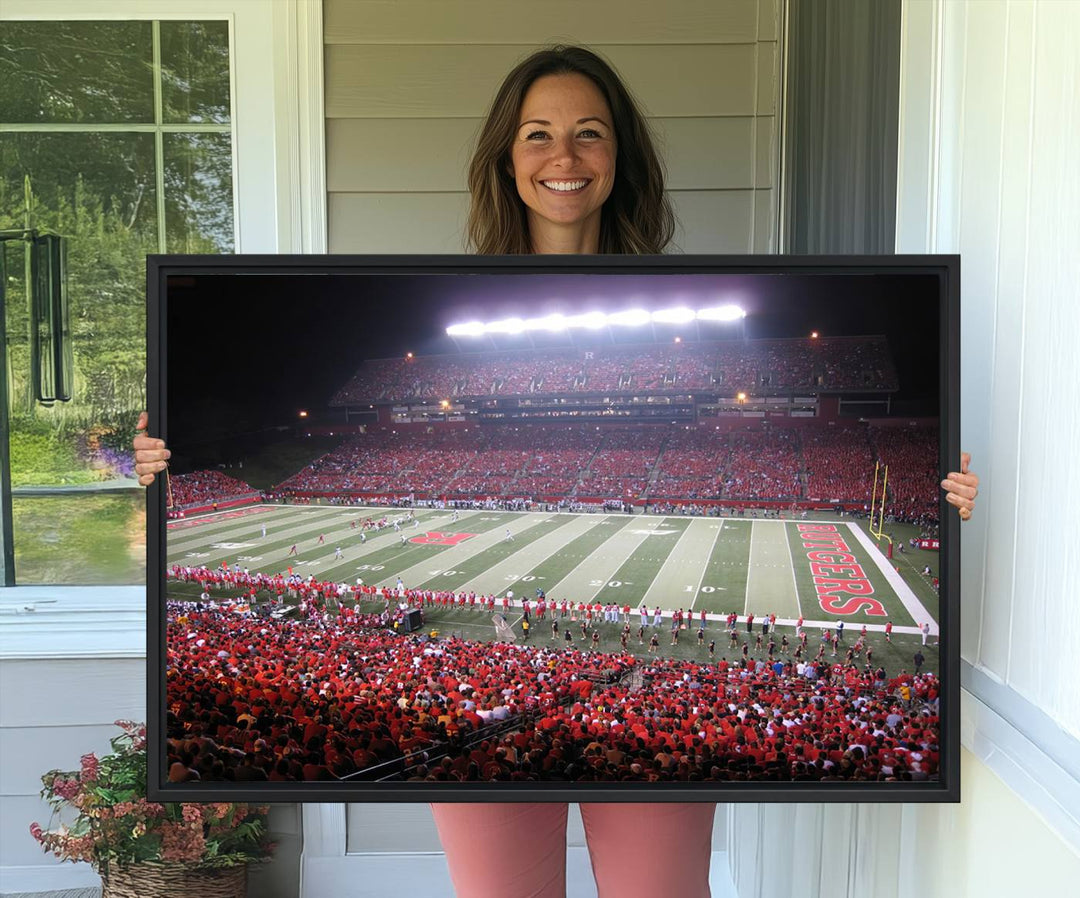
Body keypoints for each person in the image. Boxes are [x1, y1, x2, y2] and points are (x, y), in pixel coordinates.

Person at [133, 44, 981, 898]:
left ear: (622, 157)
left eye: (590, 133)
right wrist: (156, 469)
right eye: (537, 134)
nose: (563, 157)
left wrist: (944, 498)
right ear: (506, 157)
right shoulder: (446, 294)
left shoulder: (695, 291)